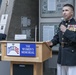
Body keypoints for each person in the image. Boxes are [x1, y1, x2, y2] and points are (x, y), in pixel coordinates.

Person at [46, 4, 76, 75]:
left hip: (71, 57)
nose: (64, 12)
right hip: (62, 56)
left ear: (72, 13)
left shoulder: (75, 24)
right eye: (63, 11)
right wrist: (51, 42)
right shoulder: (62, 24)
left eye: (66, 10)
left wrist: (66, 31)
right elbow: (57, 36)